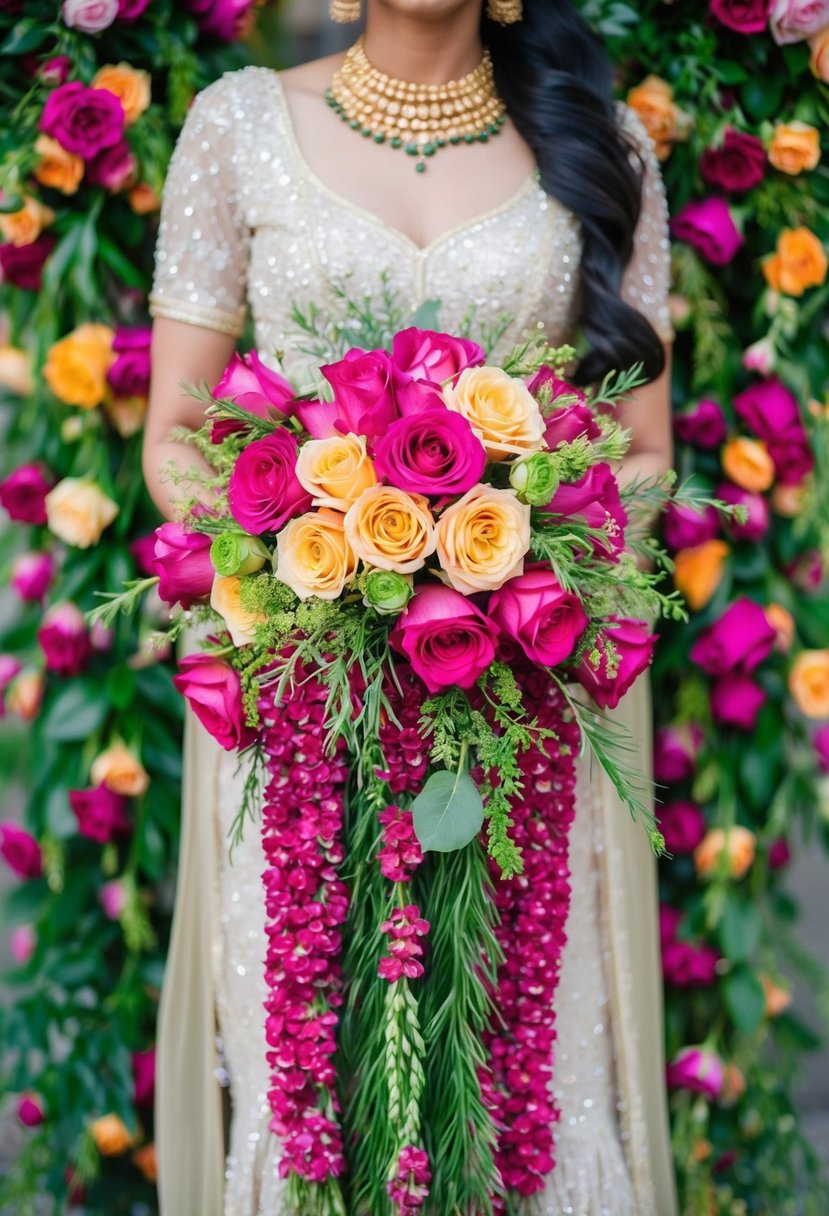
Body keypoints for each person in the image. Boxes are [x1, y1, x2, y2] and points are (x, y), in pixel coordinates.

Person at [142, 1, 678, 1212]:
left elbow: (643, 452)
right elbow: (174, 431)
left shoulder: (599, 145)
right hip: (299, 693)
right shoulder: (239, 127)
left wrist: (521, 554)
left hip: (518, 697)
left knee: (515, 1066)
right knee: (317, 1073)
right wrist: (288, 554)